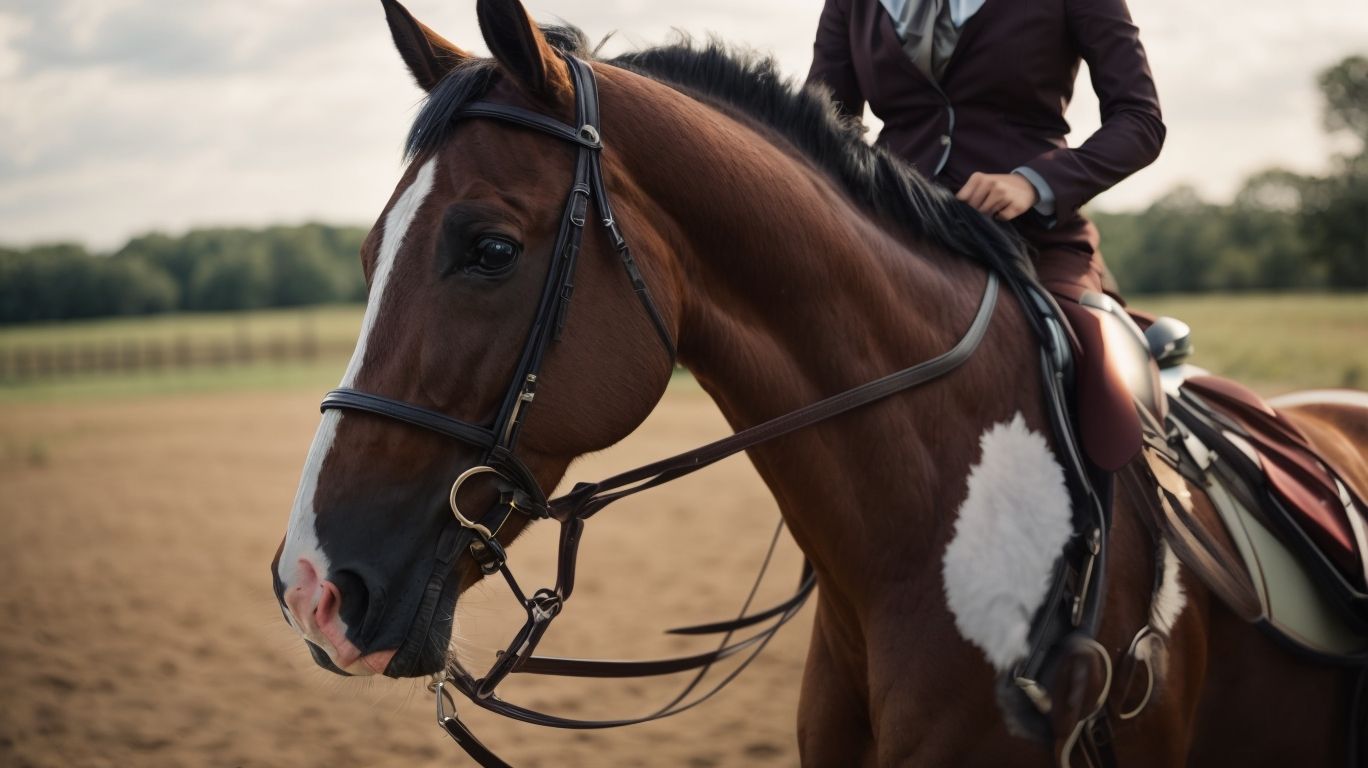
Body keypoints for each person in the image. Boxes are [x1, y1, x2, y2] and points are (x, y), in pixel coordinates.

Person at [806, 0, 1165, 304]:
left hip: (1032, 242)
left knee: (1095, 351)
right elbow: (817, 132)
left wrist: (1033, 183)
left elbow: (1140, 119)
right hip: (888, 234)